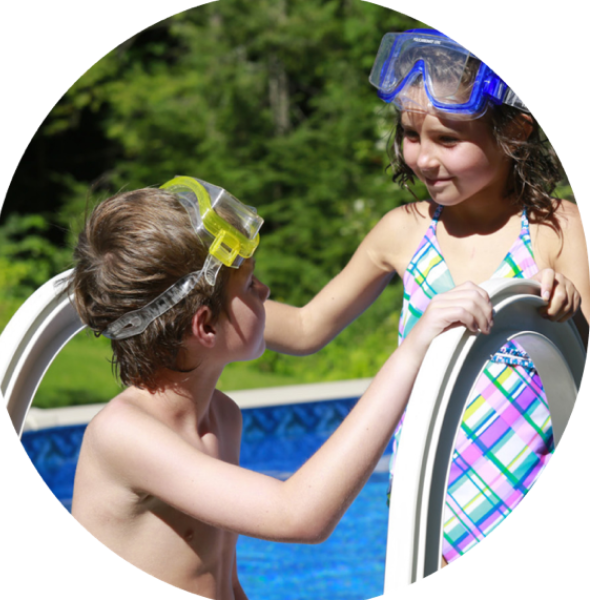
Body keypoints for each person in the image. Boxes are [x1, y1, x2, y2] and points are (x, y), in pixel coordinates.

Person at [69, 175, 493, 597]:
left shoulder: (221, 417)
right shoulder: (123, 436)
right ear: (205, 325)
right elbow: (299, 515)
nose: (266, 290)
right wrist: (412, 351)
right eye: (250, 284)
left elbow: (224, 579)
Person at [264, 30, 589, 568]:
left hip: (519, 490)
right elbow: (304, 328)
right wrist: (198, 304)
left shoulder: (558, 228)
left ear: (516, 130)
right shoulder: (405, 232)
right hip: (426, 510)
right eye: (411, 134)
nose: (423, 158)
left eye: (448, 139)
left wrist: (570, 308)